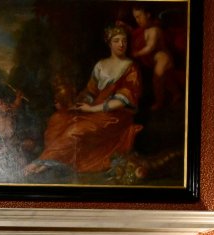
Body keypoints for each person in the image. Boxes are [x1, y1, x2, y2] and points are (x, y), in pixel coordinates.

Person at [24, 23, 142, 177]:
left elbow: (124, 99)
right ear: (109, 43)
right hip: (94, 111)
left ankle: (42, 162)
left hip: (115, 117)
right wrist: (77, 103)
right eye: (117, 40)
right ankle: (55, 162)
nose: (121, 44)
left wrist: (92, 109)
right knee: (57, 120)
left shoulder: (130, 67)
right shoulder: (101, 65)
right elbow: (91, 91)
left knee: (76, 130)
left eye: (124, 41)